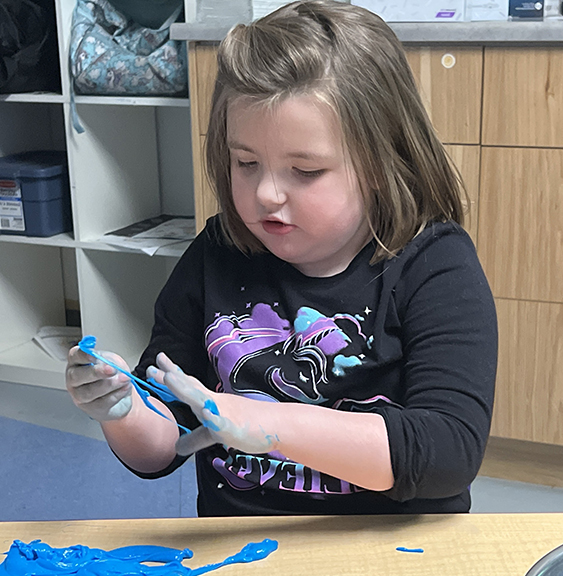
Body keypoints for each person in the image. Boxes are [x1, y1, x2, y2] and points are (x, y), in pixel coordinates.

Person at [66, 0, 498, 516]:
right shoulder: (217, 256)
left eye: (306, 171)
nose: (267, 193)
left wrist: (270, 426)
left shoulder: (434, 264)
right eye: (245, 162)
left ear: (382, 163)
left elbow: (447, 454)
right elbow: (167, 447)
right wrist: (122, 411)